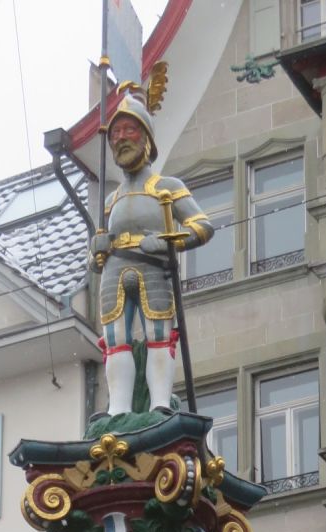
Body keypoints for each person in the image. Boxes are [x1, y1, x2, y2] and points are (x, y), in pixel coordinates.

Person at [90, 91, 214, 415]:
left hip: (152, 266)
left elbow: (202, 226)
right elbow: (94, 261)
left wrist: (167, 242)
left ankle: (160, 402)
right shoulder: (110, 201)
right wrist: (96, 251)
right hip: (115, 270)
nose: (120, 138)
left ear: (145, 137)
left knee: (158, 333)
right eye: (116, 133)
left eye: (129, 130)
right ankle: (118, 409)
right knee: (116, 339)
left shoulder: (167, 187)